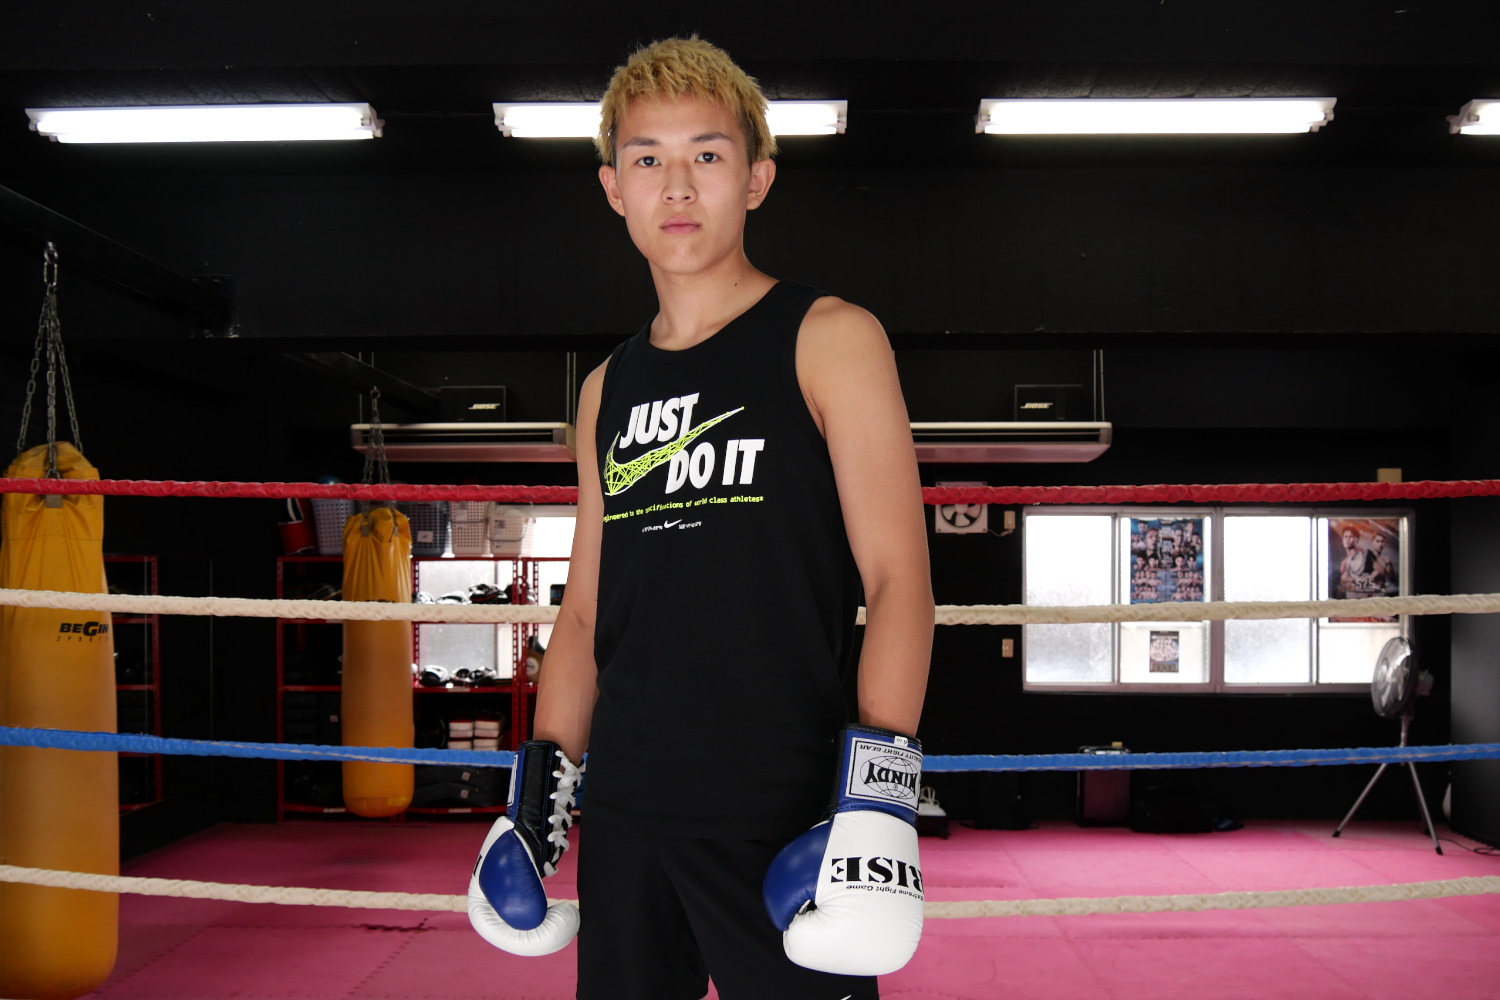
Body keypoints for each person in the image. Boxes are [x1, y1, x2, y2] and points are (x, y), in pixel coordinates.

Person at [466, 36, 934, 1000]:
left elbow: (899, 580)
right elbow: (585, 614)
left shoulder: (830, 339)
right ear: (614, 189)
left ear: (757, 178)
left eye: (707, 155)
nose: (677, 186)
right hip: (627, 806)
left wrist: (877, 804)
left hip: (781, 803)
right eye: (648, 159)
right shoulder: (606, 389)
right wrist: (534, 802)